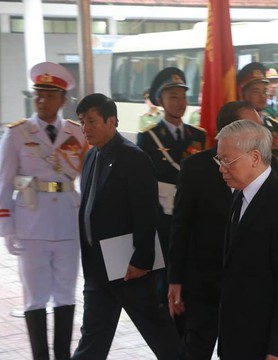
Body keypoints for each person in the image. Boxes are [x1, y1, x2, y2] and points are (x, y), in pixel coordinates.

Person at [72, 93, 181, 360]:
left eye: (92, 121)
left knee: (161, 336)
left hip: (130, 269)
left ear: (112, 121)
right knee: (92, 341)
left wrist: (141, 260)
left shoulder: (133, 158)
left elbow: (146, 213)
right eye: (82, 122)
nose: (86, 128)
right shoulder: (90, 158)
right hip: (98, 269)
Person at [0, 61, 87, 360]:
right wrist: (7, 228)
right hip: (30, 224)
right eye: (38, 94)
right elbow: (3, 183)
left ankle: (62, 355)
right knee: (35, 297)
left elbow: (87, 181)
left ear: (63, 100)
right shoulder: (17, 133)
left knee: (65, 294)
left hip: (67, 225)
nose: (42, 100)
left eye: (50, 95)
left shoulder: (77, 134)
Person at [167, 100, 261, 360]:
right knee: (196, 349)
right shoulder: (196, 168)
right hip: (204, 284)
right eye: (253, 128)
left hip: (248, 287)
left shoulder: (264, 168)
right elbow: (181, 225)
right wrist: (175, 280)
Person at [215, 120, 278, 360]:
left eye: (227, 160)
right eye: (219, 160)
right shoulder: (241, 194)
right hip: (240, 336)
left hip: (267, 343)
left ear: (255, 157)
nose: (221, 168)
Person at [137, 67, 206, 308]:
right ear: (161, 100)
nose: (179, 102)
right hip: (164, 217)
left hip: (193, 216)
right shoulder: (149, 137)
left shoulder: (198, 135)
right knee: (164, 272)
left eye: (183, 96)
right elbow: (144, 181)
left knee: (190, 268)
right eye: (173, 96)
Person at [237, 62, 278, 183]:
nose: (262, 95)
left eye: (264, 91)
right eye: (256, 91)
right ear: (243, 94)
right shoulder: (234, 127)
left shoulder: (276, 127)